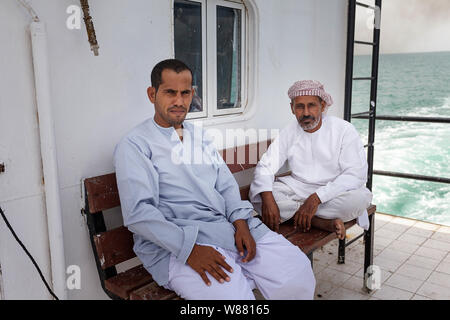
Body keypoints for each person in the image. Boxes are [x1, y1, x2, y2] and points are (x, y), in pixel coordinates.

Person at [113, 59, 315, 300]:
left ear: (192, 94)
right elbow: (139, 213)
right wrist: (189, 251)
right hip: (178, 243)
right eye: (170, 92)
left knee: (296, 271)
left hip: (227, 228)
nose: (179, 101)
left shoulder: (199, 136)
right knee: (233, 299)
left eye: (185, 93)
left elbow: (226, 184)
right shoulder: (135, 144)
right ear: (152, 93)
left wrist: (241, 223)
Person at [249, 80, 373, 240]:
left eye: (311, 105)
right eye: (300, 106)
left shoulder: (344, 130)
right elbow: (266, 166)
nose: (306, 112)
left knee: (359, 199)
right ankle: (318, 221)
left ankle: (299, 214)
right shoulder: (289, 131)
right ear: (292, 108)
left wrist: (315, 199)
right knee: (259, 196)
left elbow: (355, 175)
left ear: (322, 105)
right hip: (298, 188)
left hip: (333, 192)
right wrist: (268, 199)